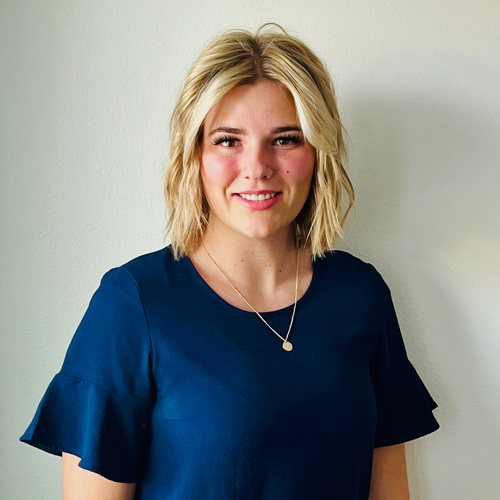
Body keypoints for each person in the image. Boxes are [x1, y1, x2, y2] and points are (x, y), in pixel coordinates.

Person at [20, 24, 439, 500]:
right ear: (193, 154)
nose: (256, 166)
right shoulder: (134, 303)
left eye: (285, 139)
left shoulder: (361, 295)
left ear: (317, 151)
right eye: (227, 140)